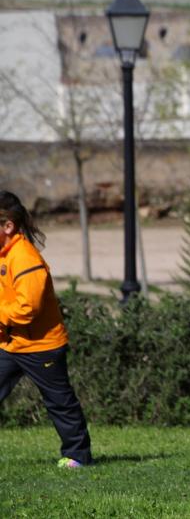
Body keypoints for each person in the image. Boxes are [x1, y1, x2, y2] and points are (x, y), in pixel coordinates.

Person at [0, 191, 92, 468]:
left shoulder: (25, 258)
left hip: (42, 347)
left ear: (8, 226)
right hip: (11, 342)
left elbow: (28, 309)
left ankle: (78, 456)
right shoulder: (3, 255)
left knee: (60, 403)